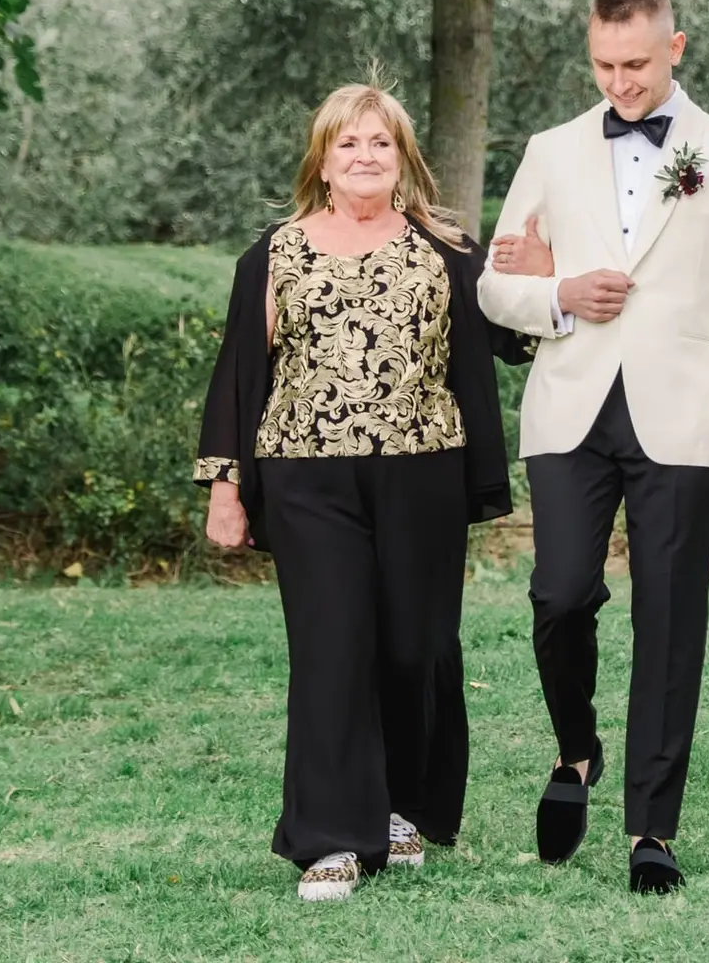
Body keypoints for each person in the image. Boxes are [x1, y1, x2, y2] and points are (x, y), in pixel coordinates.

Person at [479, 0, 709, 895]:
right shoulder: (550, 150)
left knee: (669, 618)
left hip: (685, 417)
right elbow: (495, 286)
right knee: (558, 596)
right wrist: (560, 293)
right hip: (569, 407)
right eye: (604, 66)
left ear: (675, 48)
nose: (619, 84)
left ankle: (651, 830)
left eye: (636, 66)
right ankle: (576, 749)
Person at [195, 83, 514, 904]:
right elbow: (239, 374)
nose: (365, 155)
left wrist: (545, 278)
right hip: (307, 476)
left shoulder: (448, 250)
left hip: (423, 473)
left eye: (380, 142)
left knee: (415, 647)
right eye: (348, 143)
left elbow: (511, 333)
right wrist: (226, 486)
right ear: (323, 161)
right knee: (333, 648)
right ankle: (331, 839)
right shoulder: (275, 254)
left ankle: (402, 808)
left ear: (403, 158)